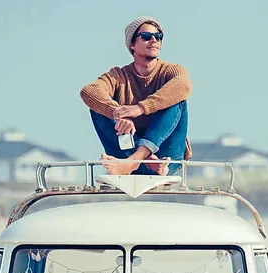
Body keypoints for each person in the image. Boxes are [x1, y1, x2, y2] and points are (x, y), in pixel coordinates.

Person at [80, 17, 192, 176]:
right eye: (146, 36)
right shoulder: (118, 76)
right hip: (125, 155)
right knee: (97, 106)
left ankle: (137, 159)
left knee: (177, 99)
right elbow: (89, 91)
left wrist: (140, 108)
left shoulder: (171, 70)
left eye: (158, 36)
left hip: (165, 160)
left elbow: (184, 84)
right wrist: (118, 114)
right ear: (132, 45)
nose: (154, 40)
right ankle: (136, 160)